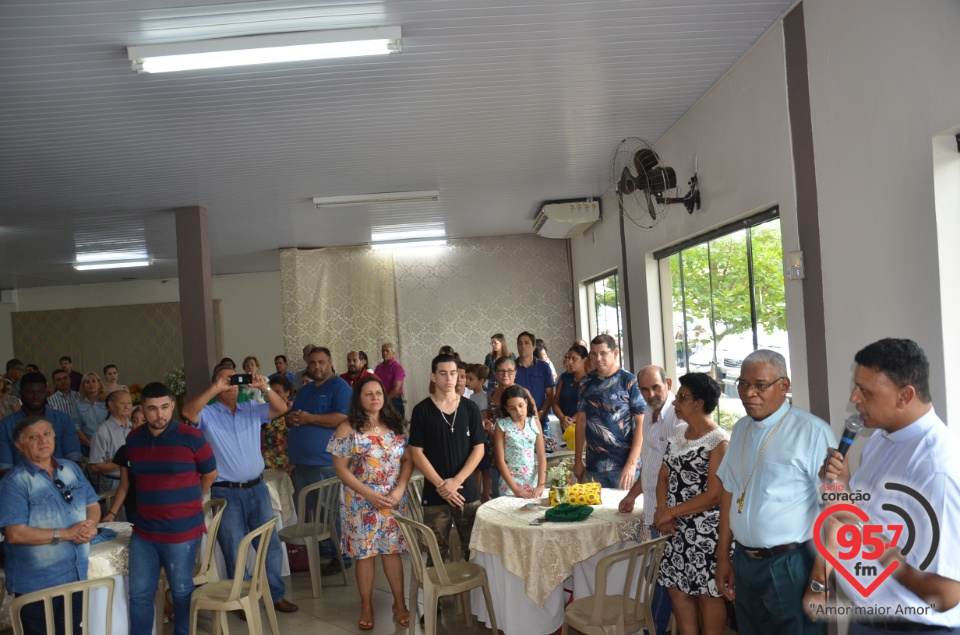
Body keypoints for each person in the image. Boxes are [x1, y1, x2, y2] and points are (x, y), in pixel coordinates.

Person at [806, 339, 960, 633]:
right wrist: (839, 485)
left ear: (905, 396)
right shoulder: (881, 438)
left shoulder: (937, 471)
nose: (854, 398)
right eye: (856, 386)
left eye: (865, 391)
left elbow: (946, 593)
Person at [714, 349, 834, 635]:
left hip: (791, 564)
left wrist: (819, 581)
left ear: (784, 385)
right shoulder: (741, 428)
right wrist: (723, 557)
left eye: (760, 385)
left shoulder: (813, 433)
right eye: (743, 384)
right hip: (745, 561)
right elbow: (729, 493)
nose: (748, 393)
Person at [181, 364, 299, 614]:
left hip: (257, 488)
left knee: (270, 544)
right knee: (235, 549)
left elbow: (280, 408)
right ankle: (242, 601)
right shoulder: (209, 414)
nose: (231, 384)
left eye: (234, 379)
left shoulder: (251, 410)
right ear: (216, 385)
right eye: (225, 380)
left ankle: (276, 595)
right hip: (226, 492)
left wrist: (264, 387)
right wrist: (214, 388)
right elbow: (188, 412)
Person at [126, 382, 217, 635]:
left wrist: (190, 498)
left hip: (181, 530)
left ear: (173, 406)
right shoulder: (133, 440)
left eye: (165, 407)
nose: (159, 414)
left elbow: (210, 473)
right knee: (139, 594)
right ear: (142, 410)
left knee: (181, 590)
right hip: (144, 532)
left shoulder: (193, 437)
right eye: (152, 409)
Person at [0, 416, 100, 635]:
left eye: (47, 434)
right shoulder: (14, 482)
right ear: (19, 445)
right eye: (33, 437)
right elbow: (15, 534)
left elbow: (92, 504)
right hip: (38, 583)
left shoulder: (71, 468)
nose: (42, 440)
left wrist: (90, 526)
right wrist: (68, 533)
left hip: (75, 575)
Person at [329, 376, 413, 630]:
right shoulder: (347, 427)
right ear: (359, 399)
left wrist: (399, 489)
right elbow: (340, 469)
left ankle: (399, 603)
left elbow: (408, 460)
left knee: (391, 551)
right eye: (369, 394)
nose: (375, 398)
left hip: (392, 498)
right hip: (359, 500)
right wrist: (368, 494)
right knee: (364, 555)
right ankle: (366, 606)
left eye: (379, 393)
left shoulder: (395, 424)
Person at [651, 373, 729, 635]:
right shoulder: (678, 431)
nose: (676, 402)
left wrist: (667, 512)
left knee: (708, 595)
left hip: (706, 533)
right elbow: (664, 475)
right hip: (674, 529)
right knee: (677, 592)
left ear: (699, 402)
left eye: (682, 397)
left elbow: (714, 495)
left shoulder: (719, 441)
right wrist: (663, 511)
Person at [619, 365, 681, 635]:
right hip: (653, 508)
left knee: (659, 576)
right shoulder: (648, 412)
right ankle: (656, 627)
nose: (651, 393)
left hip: (668, 512)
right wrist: (632, 494)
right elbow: (652, 462)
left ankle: (654, 630)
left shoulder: (679, 417)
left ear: (667, 383)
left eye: (656, 387)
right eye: (644, 389)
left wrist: (667, 512)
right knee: (656, 574)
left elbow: (677, 472)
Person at [408, 354, 486, 566]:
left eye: (453, 373)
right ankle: (440, 600)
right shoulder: (422, 410)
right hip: (435, 494)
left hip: (467, 492)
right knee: (435, 554)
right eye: (443, 373)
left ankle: (475, 599)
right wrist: (442, 486)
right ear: (433, 376)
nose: (449, 378)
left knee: (475, 551)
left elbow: (479, 448)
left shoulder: (470, 409)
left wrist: (456, 482)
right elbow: (416, 452)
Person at [286, 346, 353, 576]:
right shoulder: (306, 390)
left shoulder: (339, 387)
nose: (317, 367)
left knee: (331, 510)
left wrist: (309, 418)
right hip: (302, 463)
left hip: (324, 461)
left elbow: (343, 418)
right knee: (314, 511)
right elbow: (296, 413)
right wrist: (292, 418)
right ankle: (326, 550)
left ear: (330, 362)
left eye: (322, 362)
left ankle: (341, 555)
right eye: (313, 363)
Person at [573, 334, 646, 489]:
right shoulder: (586, 382)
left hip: (623, 466)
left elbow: (641, 423)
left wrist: (632, 463)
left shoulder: (629, 381)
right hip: (594, 465)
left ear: (615, 353)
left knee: (625, 511)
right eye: (594, 354)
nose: (598, 358)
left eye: (603, 353)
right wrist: (578, 459)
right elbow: (581, 421)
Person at [0, 372, 83, 477]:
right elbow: (5, 468)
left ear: (46, 392)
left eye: (40, 392)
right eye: (30, 392)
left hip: (62, 480)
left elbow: (74, 457)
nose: (36, 396)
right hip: (23, 485)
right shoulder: (6, 425)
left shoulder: (62, 419)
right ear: (21, 393)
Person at [488, 357, 536, 498]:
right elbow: (487, 416)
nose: (505, 374)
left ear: (516, 372)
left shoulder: (523, 392)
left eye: (509, 371)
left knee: (526, 498)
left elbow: (534, 420)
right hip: (495, 447)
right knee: (499, 492)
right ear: (495, 373)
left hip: (520, 452)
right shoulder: (491, 394)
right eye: (501, 371)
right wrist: (487, 424)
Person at [494, 385, 546, 498]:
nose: (518, 411)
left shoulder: (534, 422)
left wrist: (541, 484)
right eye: (512, 408)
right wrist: (515, 489)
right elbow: (499, 460)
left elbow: (541, 456)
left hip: (532, 482)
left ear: (526, 402)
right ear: (507, 409)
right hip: (510, 484)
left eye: (520, 405)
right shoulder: (501, 425)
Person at [102, 405, 145, 523]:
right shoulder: (125, 451)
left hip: (157, 509)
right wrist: (112, 513)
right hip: (134, 509)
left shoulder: (162, 449)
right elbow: (124, 484)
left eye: (144, 421)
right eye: (135, 420)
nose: (138, 424)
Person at [88, 390, 134, 493]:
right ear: (111, 405)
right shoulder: (103, 431)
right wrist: (127, 464)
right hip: (113, 483)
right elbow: (95, 467)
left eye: (129, 403)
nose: (127, 406)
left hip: (134, 481)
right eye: (122, 403)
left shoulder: (134, 427)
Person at [514, 331, 556, 429]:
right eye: (520, 343)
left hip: (541, 420)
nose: (522, 346)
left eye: (526, 343)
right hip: (517, 422)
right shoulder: (511, 368)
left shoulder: (544, 367)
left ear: (533, 346)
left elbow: (551, 395)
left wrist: (539, 415)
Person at [552, 344, 589, 434]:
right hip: (566, 426)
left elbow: (588, 405)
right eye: (569, 358)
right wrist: (562, 418)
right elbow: (555, 402)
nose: (570, 362)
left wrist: (572, 420)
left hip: (584, 426)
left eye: (574, 359)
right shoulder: (565, 377)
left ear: (584, 360)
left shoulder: (590, 380)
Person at [71, 372, 107, 456]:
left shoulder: (107, 400)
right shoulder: (78, 403)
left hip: (107, 442)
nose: (91, 384)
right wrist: (91, 444)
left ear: (99, 384)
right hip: (87, 444)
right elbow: (76, 426)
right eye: (87, 382)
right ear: (83, 387)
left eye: (94, 381)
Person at [262, 375, 293, 471]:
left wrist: (291, 465)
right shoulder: (264, 412)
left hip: (288, 466)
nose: (274, 395)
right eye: (272, 392)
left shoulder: (294, 414)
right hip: (268, 464)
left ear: (287, 393)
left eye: (278, 392)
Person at [375, 342, 406, 418]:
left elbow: (395, 390)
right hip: (380, 401)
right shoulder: (378, 367)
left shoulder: (397, 367)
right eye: (383, 351)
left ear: (393, 353)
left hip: (394, 402)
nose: (384, 353)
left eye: (387, 351)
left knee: (395, 428)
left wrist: (384, 401)